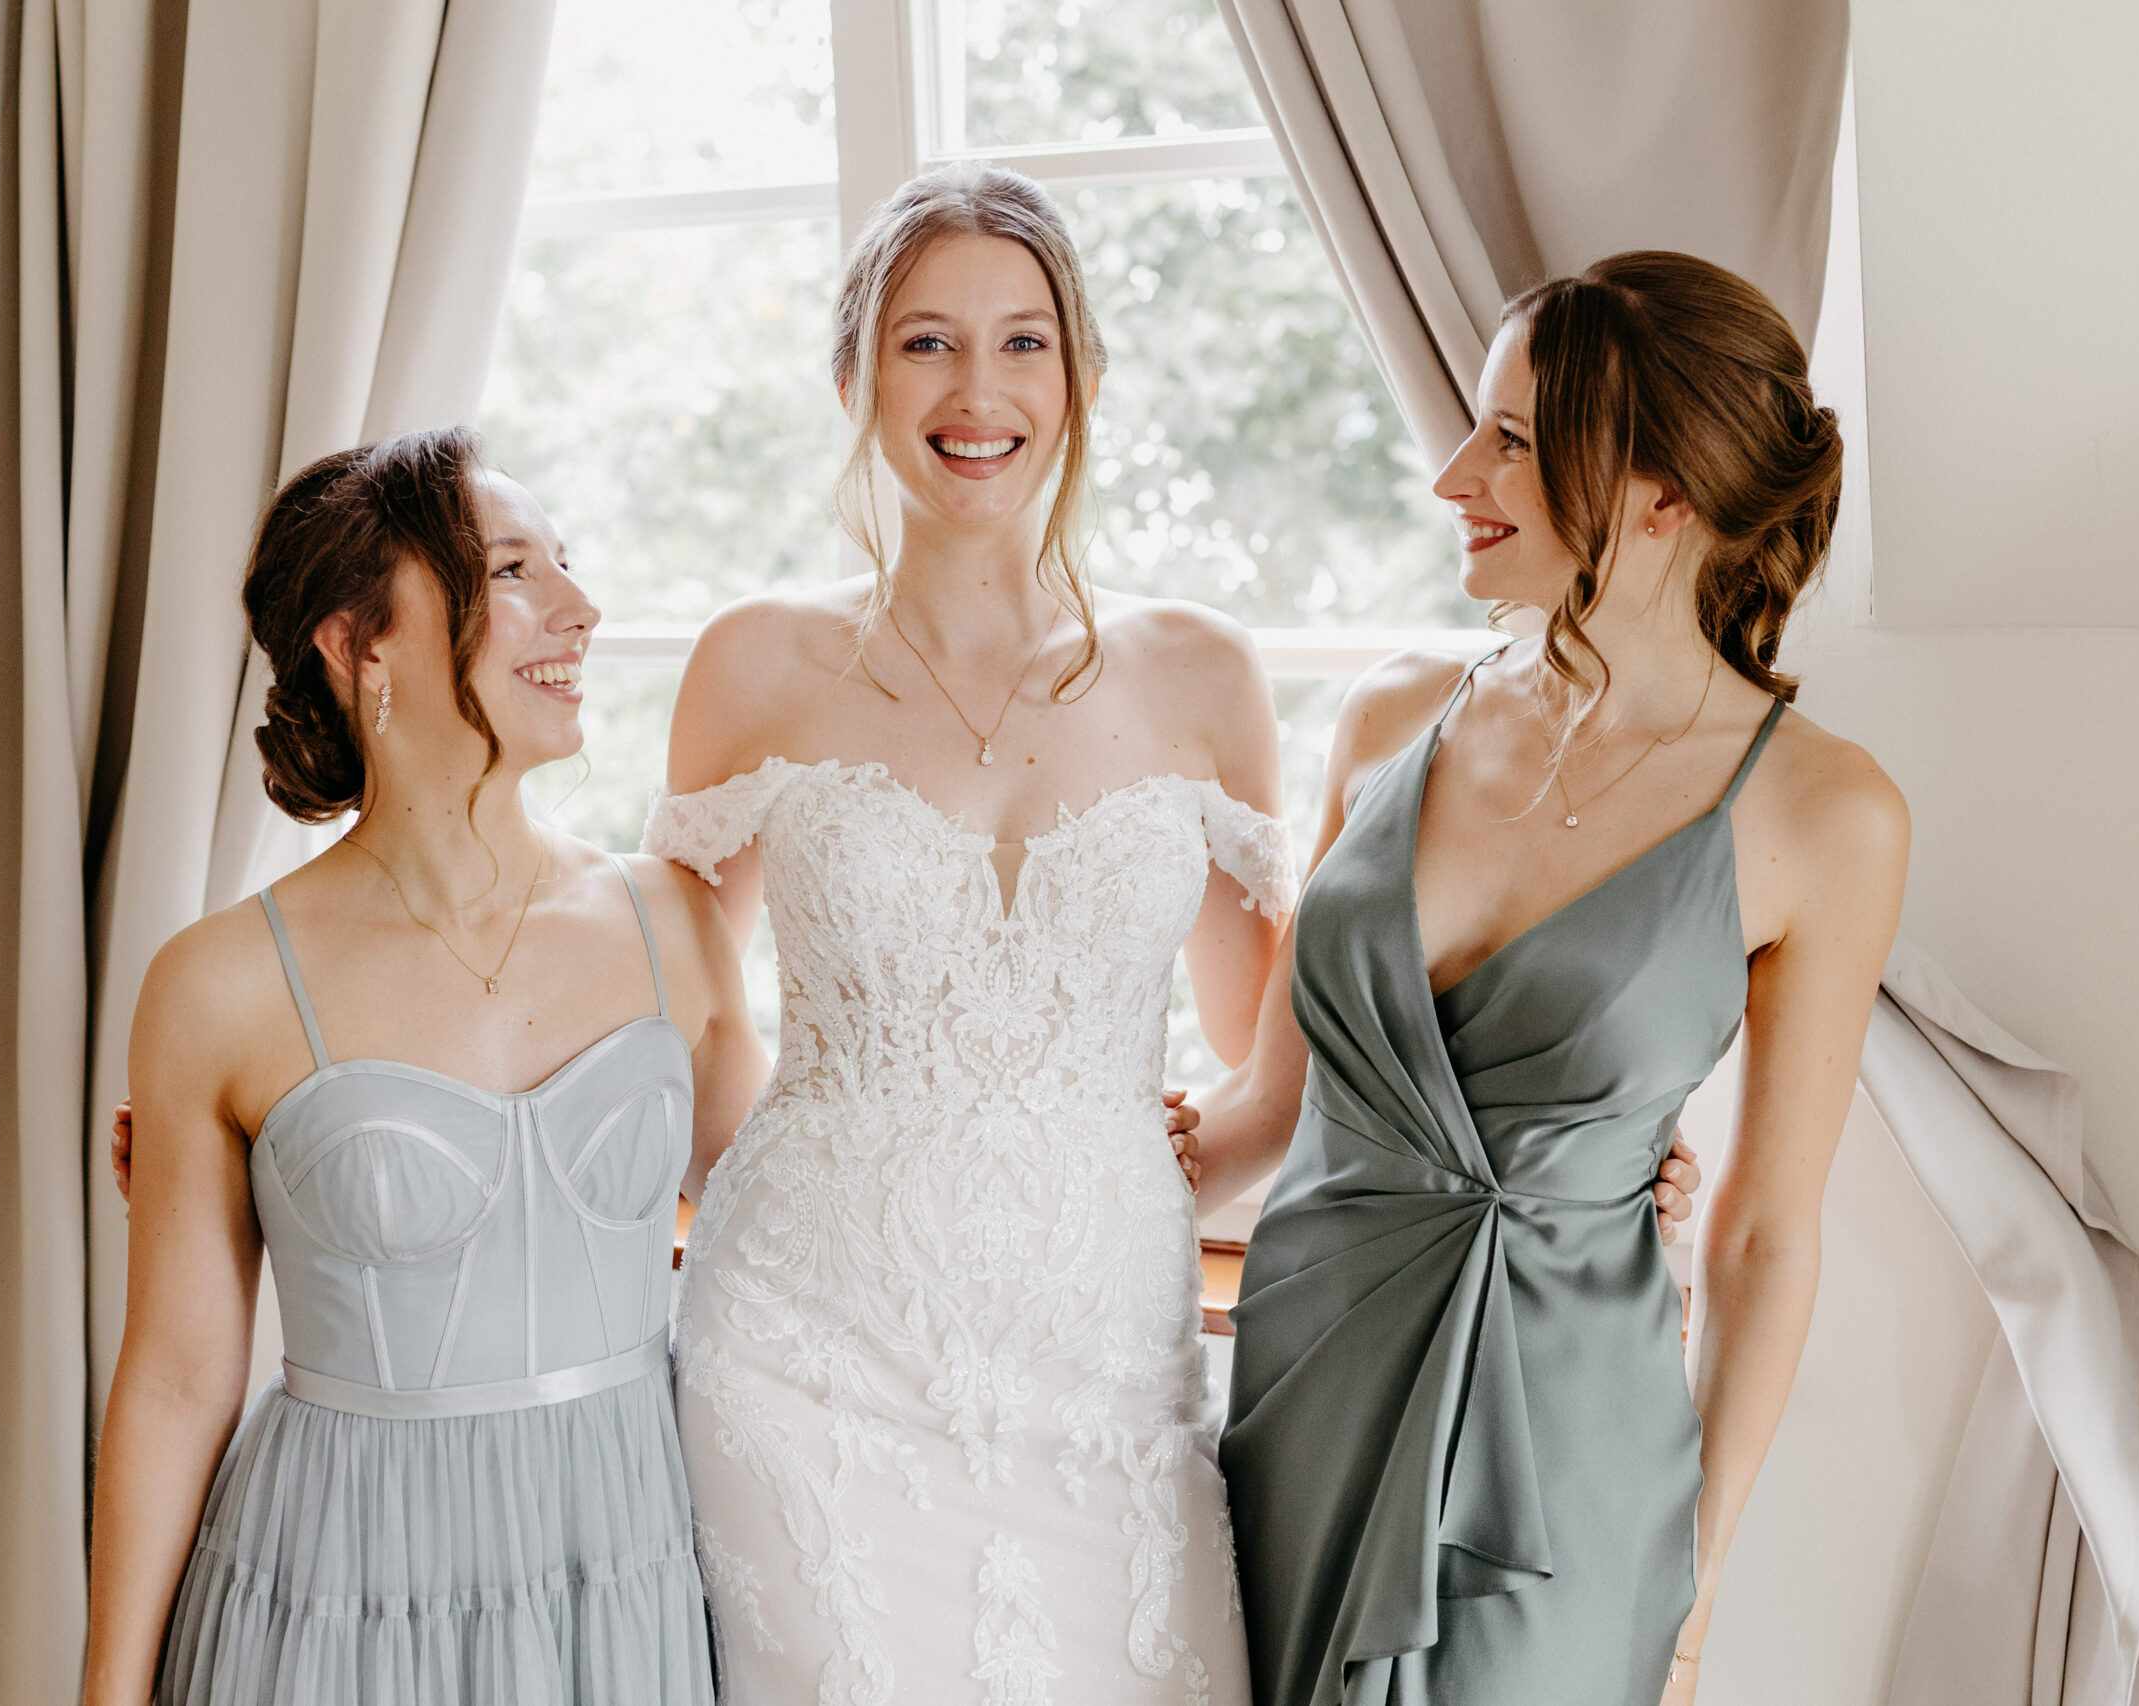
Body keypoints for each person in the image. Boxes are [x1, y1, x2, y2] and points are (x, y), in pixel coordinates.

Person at [634, 165, 1709, 1704]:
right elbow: (671, 1006)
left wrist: (1570, 1145)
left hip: (1101, 1364)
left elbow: (1296, 1063)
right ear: (859, 372)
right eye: (927, 341)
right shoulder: (756, 662)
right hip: (803, 1342)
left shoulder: (1199, 674)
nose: (976, 390)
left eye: (1023, 341)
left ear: (1078, 375)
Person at [1189, 251, 1908, 1706]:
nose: (1455, 473)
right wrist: (1027, 1186)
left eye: (1511, 439)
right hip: (1298, 1390)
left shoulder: (1826, 816)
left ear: (1663, 493)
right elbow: (1269, 1104)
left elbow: (1767, 1237)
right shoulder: (1389, 716)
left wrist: (1691, 1593)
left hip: (1565, 1469)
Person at [84, 427, 763, 1706]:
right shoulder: (217, 983)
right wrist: (108, 1693)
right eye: (514, 570)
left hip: (618, 1570)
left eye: (565, 562)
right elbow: (176, 1378)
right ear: (358, 644)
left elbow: (790, 1234)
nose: (579, 607)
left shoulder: (670, 920)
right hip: (340, 1581)